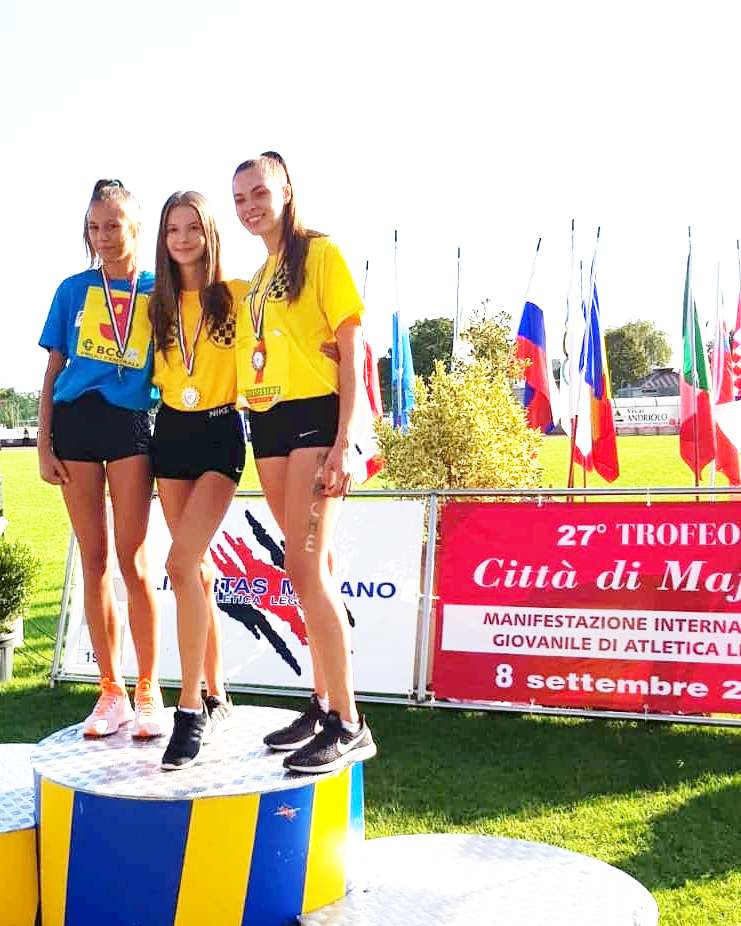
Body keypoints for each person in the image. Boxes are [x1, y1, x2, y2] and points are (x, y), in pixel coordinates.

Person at [233, 151, 376, 774]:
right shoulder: (259, 277)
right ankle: (321, 703)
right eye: (240, 199)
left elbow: (353, 347)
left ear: (287, 190)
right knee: (312, 565)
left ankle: (350, 721)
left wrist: (347, 439)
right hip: (268, 422)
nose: (250, 207)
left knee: (305, 564)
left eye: (259, 193)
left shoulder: (321, 253)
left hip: (319, 419)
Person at [38, 179, 164, 738]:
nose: (103, 237)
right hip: (75, 424)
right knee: (94, 560)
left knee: (134, 563)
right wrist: (44, 443)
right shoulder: (72, 289)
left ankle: (148, 690)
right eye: (94, 227)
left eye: (113, 225)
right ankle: (110, 691)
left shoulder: (160, 289)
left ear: (135, 227)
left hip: (130, 424)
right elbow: (52, 372)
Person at [149, 191, 248, 771]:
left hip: (219, 433)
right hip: (169, 434)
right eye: (173, 229)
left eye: (193, 228)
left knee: (180, 563)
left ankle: (189, 709)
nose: (183, 239)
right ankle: (216, 692)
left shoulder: (236, 296)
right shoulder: (156, 304)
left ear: (210, 234)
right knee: (198, 570)